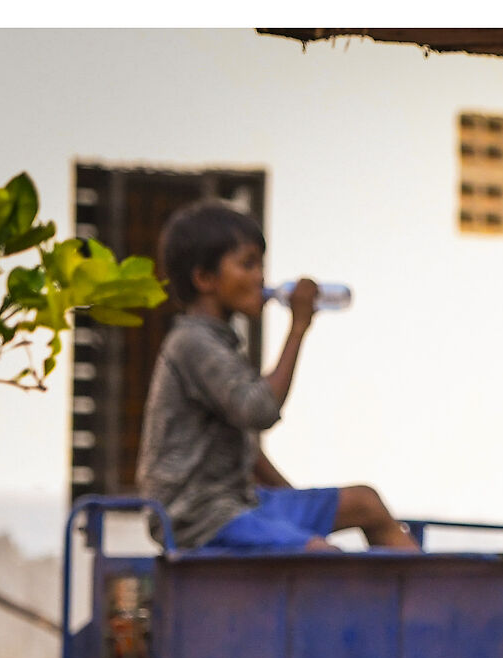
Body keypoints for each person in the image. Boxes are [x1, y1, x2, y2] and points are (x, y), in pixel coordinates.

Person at [137, 199, 416, 553]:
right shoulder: (191, 343)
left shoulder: (219, 344)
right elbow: (260, 410)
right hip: (198, 517)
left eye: (261, 265)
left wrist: (295, 499)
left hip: (242, 503)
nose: (260, 278)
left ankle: (437, 590)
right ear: (205, 279)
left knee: (365, 503)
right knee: (322, 556)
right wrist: (298, 327)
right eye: (248, 264)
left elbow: (249, 450)